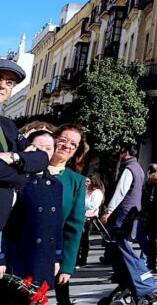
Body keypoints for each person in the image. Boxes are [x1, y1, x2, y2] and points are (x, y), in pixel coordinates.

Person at [0, 129, 62, 290]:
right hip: (17, 255)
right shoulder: (14, 180)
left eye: (48, 148)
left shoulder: (55, 184)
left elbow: (56, 225)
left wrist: (56, 256)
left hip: (43, 258)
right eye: (37, 147)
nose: (42, 152)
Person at [100, 145, 157, 305]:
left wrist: (109, 211)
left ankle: (128, 278)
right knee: (121, 246)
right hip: (133, 213)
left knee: (119, 245)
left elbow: (121, 191)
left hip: (123, 213)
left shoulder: (129, 169)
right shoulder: (139, 168)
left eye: (120, 152)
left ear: (125, 153)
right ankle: (125, 278)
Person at [0, 59, 51, 231]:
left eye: (9, 82)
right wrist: (24, 174)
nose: (3, 86)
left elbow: (41, 158)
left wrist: (13, 157)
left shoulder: (7, 125)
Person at [49, 124, 88, 305]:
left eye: (73, 144)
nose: (67, 146)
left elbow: (74, 226)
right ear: (53, 139)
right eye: (63, 140)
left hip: (52, 255)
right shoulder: (28, 170)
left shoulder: (76, 181)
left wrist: (67, 266)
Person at [78, 175, 105, 266]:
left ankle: (83, 258)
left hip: (90, 218)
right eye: (85, 181)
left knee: (85, 238)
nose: (86, 184)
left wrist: (81, 203)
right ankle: (77, 257)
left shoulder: (97, 192)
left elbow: (92, 206)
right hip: (81, 215)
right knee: (78, 238)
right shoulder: (84, 191)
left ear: (93, 182)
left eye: (88, 181)